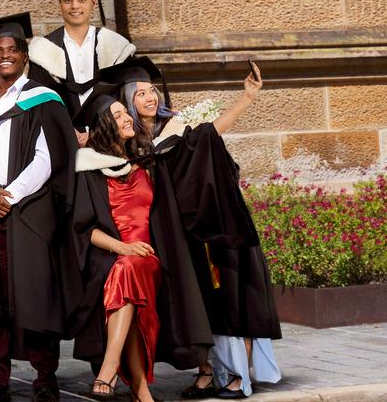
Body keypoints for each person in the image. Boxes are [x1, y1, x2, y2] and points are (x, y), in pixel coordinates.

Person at [110, 58, 282, 399]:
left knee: (222, 297)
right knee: (191, 303)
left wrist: (246, 98)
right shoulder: (131, 141)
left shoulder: (176, 128)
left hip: (201, 226)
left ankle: (233, 376)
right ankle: (206, 370)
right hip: (165, 234)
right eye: (140, 93)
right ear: (129, 102)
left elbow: (211, 132)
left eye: (152, 91)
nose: (149, 98)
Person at [0, 12, 79, 402]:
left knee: (35, 294)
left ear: (25, 56)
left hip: (30, 211)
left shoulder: (43, 98)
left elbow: (49, 157)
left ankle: (45, 378)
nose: (5, 56)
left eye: (12, 50)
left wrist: (8, 194)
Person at [70, 93, 212, 402]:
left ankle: (108, 370)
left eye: (126, 113)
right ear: (105, 126)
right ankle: (141, 392)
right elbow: (83, 229)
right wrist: (123, 247)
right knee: (127, 274)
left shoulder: (148, 161)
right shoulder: (90, 169)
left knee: (130, 271)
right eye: (118, 115)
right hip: (112, 255)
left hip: (150, 254)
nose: (126, 118)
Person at [25, 0, 135, 138]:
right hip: (62, 143)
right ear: (60, 4)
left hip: (112, 138)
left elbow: (127, 97)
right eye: (67, 0)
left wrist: (98, 132)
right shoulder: (44, 52)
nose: (75, 6)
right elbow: (41, 105)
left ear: (93, 2)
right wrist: (69, 132)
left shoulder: (115, 47)